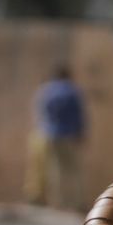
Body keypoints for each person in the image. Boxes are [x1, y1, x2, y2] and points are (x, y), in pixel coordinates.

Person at [24, 65, 85, 211]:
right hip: (67, 135)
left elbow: (39, 112)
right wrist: (80, 133)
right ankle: (76, 202)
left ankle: (58, 202)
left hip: (47, 134)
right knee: (73, 171)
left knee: (53, 169)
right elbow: (79, 115)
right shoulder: (72, 91)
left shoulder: (45, 91)